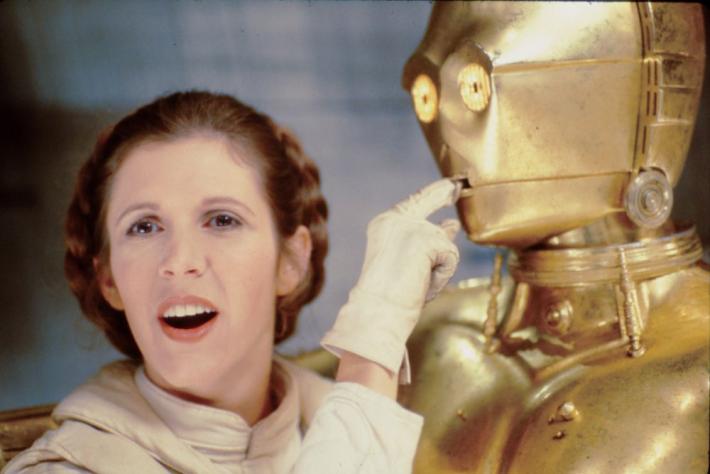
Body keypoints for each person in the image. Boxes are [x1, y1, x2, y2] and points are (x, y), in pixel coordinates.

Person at [3, 91, 461, 473]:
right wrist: (371, 346)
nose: (179, 261)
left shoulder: (363, 427)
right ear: (109, 280)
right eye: (144, 227)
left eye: (222, 220)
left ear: (290, 260)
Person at [398, 2, 708, 473]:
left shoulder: (699, 365)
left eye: (474, 87)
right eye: (427, 92)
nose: (445, 126)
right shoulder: (422, 341)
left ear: (614, 91)